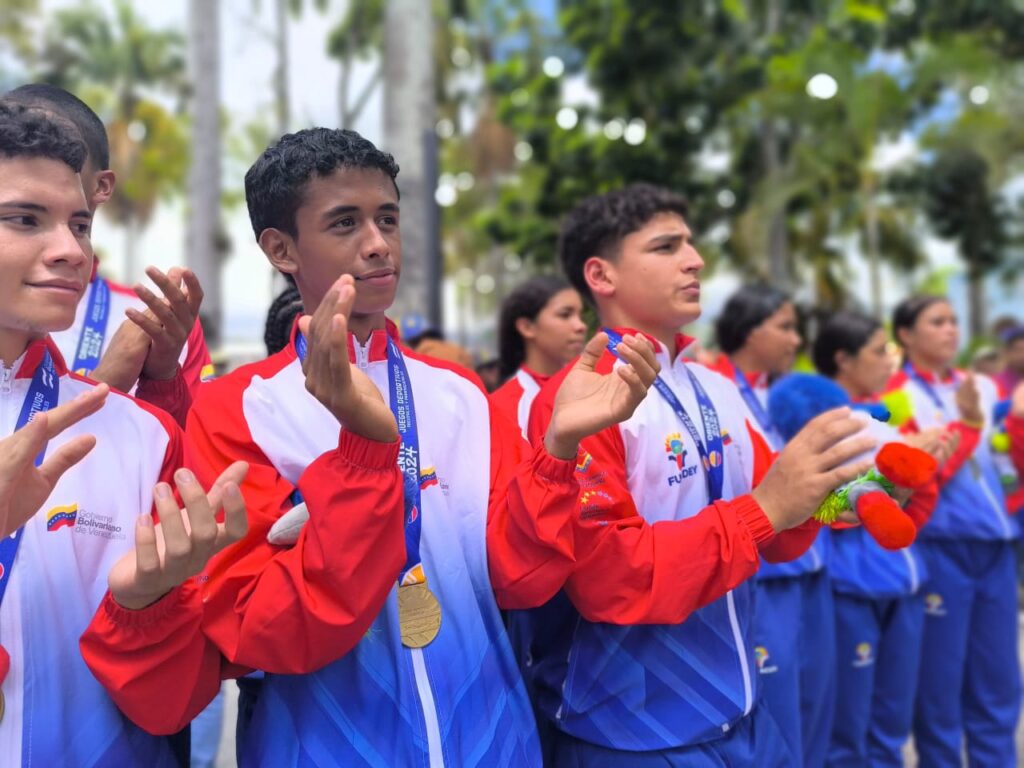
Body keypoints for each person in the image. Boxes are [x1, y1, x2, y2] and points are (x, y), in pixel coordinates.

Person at [82, 127, 660, 767]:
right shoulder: (236, 408)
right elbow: (260, 629)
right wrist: (364, 451)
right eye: (344, 223)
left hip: (495, 737)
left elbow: (516, 578)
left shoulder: (459, 391)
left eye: (388, 218)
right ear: (281, 248)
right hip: (323, 743)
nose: (379, 243)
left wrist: (556, 449)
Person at [523, 183, 876, 766]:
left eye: (690, 243)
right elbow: (609, 576)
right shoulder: (577, 403)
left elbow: (780, 528)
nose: (695, 260)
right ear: (601, 276)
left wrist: (839, 494)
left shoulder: (715, 386)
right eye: (666, 247)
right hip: (629, 727)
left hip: (740, 710)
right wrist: (766, 508)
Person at [0, 100, 250, 768]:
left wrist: (148, 605)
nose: (71, 250)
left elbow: (171, 707)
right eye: (25, 219)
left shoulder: (140, 435)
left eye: (79, 224)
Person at [4, 84, 212, 425]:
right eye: (25, 219)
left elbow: (182, 458)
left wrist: (159, 379)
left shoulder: (160, 321)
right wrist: (106, 385)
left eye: (62, 147)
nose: (37, 151)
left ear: (102, 186)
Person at [886, 295, 1021, 766]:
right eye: (937, 322)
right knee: (940, 688)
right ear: (906, 335)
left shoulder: (980, 385)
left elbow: (1008, 462)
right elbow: (919, 480)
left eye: (954, 321)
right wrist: (967, 426)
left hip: (997, 551)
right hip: (940, 550)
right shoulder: (894, 395)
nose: (951, 330)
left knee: (999, 682)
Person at [813, 310, 946, 766]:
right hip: (853, 589)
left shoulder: (885, 419)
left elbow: (910, 512)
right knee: (848, 731)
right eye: (877, 351)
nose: (890, 360)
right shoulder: (825, 424)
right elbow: (824, 509)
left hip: (904, 583)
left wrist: (922, 470)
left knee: (891, 727)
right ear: (843, 360)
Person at [712, 284, 833, 768]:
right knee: (777, 726)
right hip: (763, 577)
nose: (796, 340)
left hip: (813, 569)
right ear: (747, 330)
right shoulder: (714, 388)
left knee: (815, 714)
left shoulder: (784, 394)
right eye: (784, 327)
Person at [491, 275, 587, 436]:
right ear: (527, 327)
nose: (581, 326)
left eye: (580, 316)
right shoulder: (504, 407)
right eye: (565, 315)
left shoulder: (593, 385)